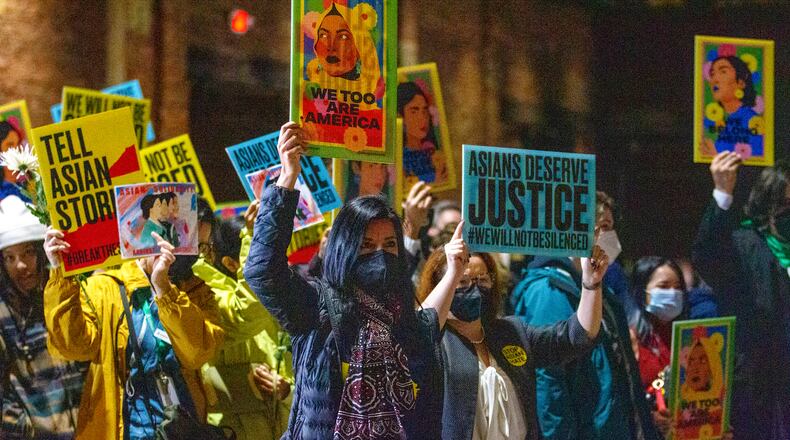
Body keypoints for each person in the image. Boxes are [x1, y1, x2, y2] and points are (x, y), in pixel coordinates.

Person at [244, 121, 469, 439]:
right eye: (366, 245)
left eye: (389, 245)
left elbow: (427, 324)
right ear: (344, 249)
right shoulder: (316, 305)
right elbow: (262, 272)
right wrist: (287, 177)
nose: (380, 254)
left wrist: (454, 270)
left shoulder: (398, 310)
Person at [43, 226, 224, 439]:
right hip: (128, 429)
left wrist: (164, 289)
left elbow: (198, 354)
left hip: (185, 428)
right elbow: (72, 347)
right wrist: (61, 274)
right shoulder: (105, 287)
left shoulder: (195, 289)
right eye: (160, 233)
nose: (169, 247)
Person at [510, 193, 661, 440]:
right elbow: (549, 383)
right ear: (575, 231)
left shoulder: (601, 291)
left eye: (610, 228)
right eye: (603, 227)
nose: (611, 237)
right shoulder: (549, 291)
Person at [417, 247, 606, 440]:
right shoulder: (433, 346)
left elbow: (576, 336)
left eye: (482, 279)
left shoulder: (511, 332)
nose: (474, 288)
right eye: (462, 281)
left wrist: (591, 285)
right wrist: (452, 273)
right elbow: (416, 335)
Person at [692, 151, 790, 438]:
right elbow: (707, 254)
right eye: (786, 205)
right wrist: (722, 193)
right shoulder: (745, 246)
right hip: (760, 392)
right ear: (769, 205)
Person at [192, 201, 294, 439]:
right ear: (230, 263)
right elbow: (246, 312)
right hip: (228, 431)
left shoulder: (270, 299)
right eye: (196, 246)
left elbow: (287, 365)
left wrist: (286, 389)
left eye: (205, 246)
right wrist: (251, 238)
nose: (201, 255)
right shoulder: (201, 291)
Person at [0, 196, 85, 438]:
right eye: (10, 257)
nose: (21, 266)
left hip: (94, 428)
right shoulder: (4, 314)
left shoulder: (64, 295)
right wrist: (28, 430)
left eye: (28, 253)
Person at [702, 55, 762, 157]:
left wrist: (715, 156)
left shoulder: (751, 120)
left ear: (741, 83)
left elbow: (756, 157)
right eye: (712, 74)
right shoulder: (725, 119)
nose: (714, 80)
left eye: (723, 72)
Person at [397, 82, 448, 186]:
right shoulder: (400, 159)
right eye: (414, 111)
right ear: (401, 117)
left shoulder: (434, 153)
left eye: (425, 111)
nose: (423, 119)